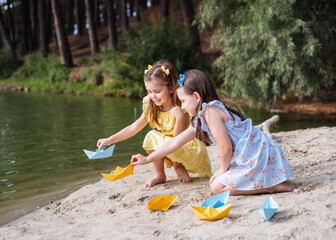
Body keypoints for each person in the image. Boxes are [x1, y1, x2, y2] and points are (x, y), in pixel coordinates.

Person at [131, 69, 295, 195]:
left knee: (216, 187)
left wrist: (222, 169)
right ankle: (267, 182)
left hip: (257, 154)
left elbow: (225, 147)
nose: (182, 107)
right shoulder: (200, 117)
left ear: (196, 96)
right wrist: (147, 159)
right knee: (217, 184)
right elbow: (175, 142)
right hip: (251, 155)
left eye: (182, 101)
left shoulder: (211, 111)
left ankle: (270, 187)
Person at [97, 62, 211, 188]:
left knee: (161, 138)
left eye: (157, 91)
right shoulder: (151, 106)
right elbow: (134, 128)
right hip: (167, 146)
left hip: (185, 146)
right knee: (152, 136)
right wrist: (109, 140)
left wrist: (179, 117)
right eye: (149, 91)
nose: (153, 96)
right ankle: (160, 175)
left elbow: (178, 138)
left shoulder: (182, 106)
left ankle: (178, 166)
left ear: (171, 88)